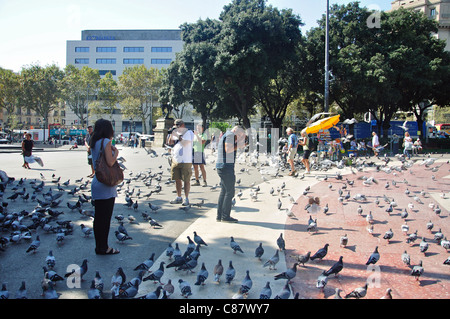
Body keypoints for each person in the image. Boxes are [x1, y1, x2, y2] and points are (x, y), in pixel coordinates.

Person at [90, 119, 120, 255]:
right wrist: (116, 153)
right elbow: (110, 162)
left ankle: (99, 246)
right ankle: (105, 247)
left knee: (98, 218)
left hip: (97, 181)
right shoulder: (106, 142)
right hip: (106, 184)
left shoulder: (93, 142)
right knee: (105, 219)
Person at [216, 126, 247, 223]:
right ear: (236, 132)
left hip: (222, 166)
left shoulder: (227, 135)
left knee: (224, 191)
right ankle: (225, 217)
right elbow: (228, 149)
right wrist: (239, 146)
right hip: (226, 167)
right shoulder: (230, 135)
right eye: (239, 136)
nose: (238, 138)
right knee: (230, 192)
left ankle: (219, 215)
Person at [169, 119, 194, 206]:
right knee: (177, 179)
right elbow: (170, 143)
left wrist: (177, 135)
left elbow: (185, 143)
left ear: (182, 125)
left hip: (186, 160)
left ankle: (186, 198)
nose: (177, 128)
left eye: (178, 126)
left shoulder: (189, 133)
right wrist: (172, 134)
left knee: (186, 180)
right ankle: (178, 197)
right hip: (176, 159)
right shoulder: (176, 133)